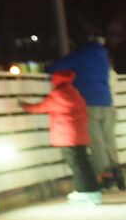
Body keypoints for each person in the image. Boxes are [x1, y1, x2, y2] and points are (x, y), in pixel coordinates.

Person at [48, 37, 124, 191]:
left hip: (89, 103)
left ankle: (105, 176)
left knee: (96, 142)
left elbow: (54, 67)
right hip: (107, 103)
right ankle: (117, 173)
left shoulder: (82, 55)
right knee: (109, 140)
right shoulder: (103, 56)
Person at [23, 69, 101, 204]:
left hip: (67, 136)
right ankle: (92, 191)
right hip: (80, 134)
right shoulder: (75, 93)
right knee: (83, 164)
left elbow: (40, 107)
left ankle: (86, 192)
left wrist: (24, 106)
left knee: (77, 165)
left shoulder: (57, 95)